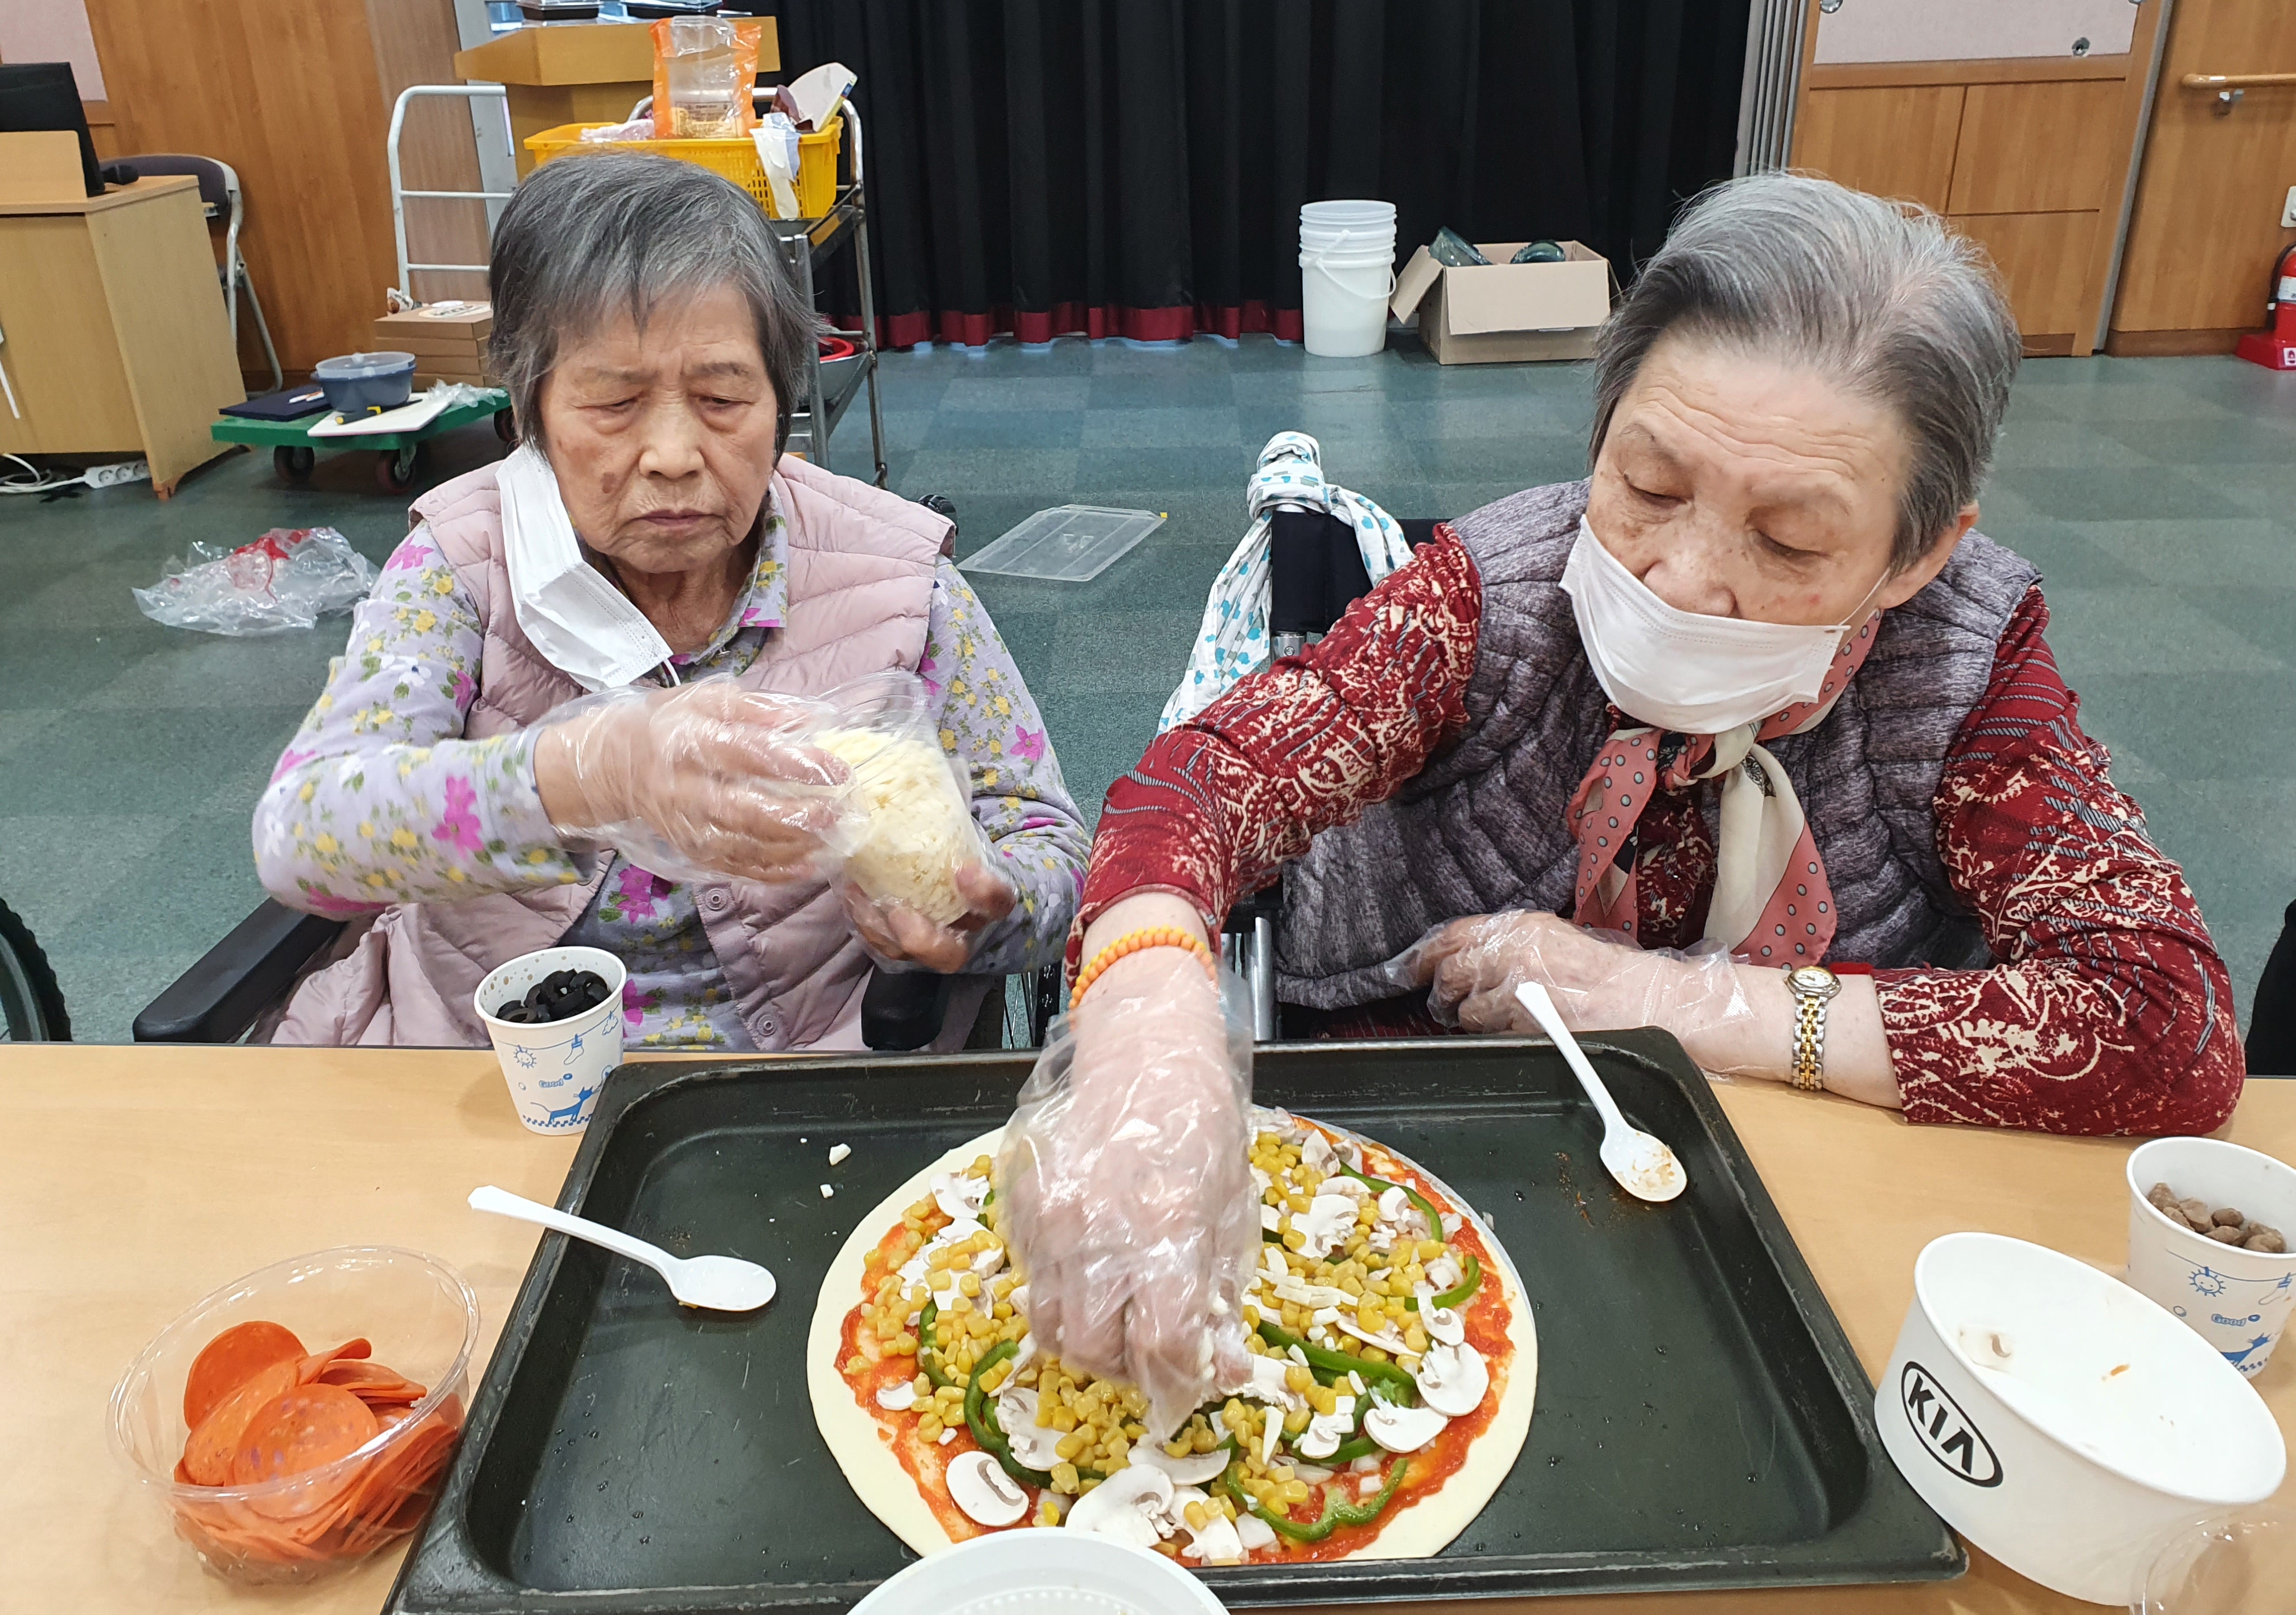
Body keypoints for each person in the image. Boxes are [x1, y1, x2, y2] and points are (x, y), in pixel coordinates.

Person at [1003, 173, 2241, 1425]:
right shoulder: (1497, 596)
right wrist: (1148, 1021)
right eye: (1648, 486)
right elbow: (1204, 781)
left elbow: (2164, 1028)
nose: (1684, 579)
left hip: (1786, 1186)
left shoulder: (1965, 668)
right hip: (1435, 1131)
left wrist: (1674, 1002)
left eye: (1790, 542)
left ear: (1918, 553)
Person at [253, 153, 1086, 1048]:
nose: (674, 455)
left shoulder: (895, 576)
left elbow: (1047, 844)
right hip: (485, 1072)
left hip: (810, 1074)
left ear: (781, 398)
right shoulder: (460, 565)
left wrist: (985, 918)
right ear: (532, 410)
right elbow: (301, 835)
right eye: (614, 403)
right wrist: (585, 775)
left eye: (723, 398)